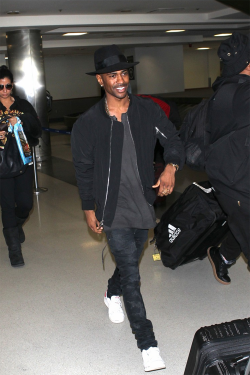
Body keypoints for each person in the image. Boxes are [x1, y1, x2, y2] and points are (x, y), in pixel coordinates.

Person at [71, 44, 184, 372]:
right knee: (133, 276)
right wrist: (88, 208)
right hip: (111, 207)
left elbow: (174, 141)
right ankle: (148, 344)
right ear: (100, 81)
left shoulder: (147, 111)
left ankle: (110, 291)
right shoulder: (89, 123)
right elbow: (83, 169)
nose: (120, 79)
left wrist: (170, 167)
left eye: (123, 73)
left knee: (129, 261)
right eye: (111, 75)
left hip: (143, 202)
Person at [206, 32, 250, 285]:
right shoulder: (241, 94)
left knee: (243, 221)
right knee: (244, 219)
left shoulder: (229, 89)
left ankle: (222, 255)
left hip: (234, 172)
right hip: (233, 179)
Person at [0, 65, 42, 267]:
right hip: (2, 166)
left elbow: (37, 128)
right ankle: (14, 250)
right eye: (0, 86)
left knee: (26, 204)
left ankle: (16, 226)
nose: (4, 90)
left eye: (8, 86)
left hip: (23, 161)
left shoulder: (23, 105)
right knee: (7, 206)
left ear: (12, 86)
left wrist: (22, 120)